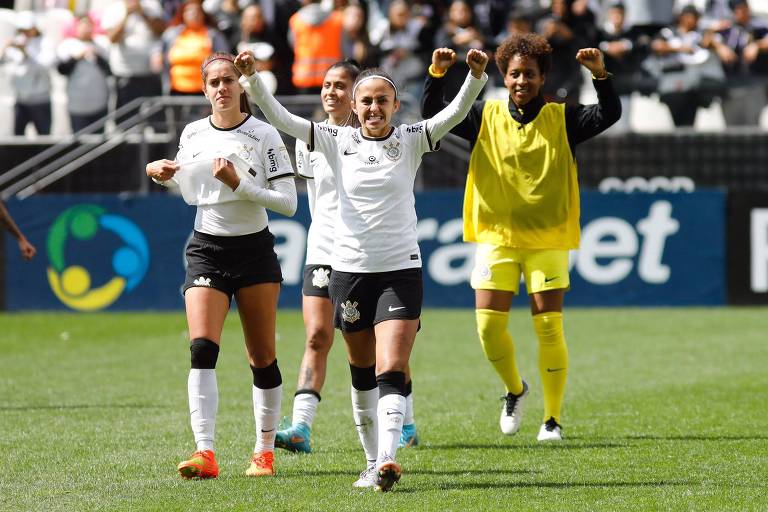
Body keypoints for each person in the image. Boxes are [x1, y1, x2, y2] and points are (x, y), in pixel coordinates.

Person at [235, 46, 488, 491]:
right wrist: (253, 81)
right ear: (354, 105)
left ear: (395, 105)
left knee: (391, 366)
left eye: (382, 100)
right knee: (361, 370)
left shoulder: (411, 138)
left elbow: (455, 112)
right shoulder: (335, 140)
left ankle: (389, 459)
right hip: (348, 272)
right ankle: (371, 461)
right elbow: (281, 119)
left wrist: (476, 76)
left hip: (399, 270)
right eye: (366, 101)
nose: (373, 108)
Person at [421, 33, 620, 442]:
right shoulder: (484, 115)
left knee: (548, 329)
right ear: (503, 76)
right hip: (496, 237)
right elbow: (433, 114)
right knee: (488, 329)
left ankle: (551, 419)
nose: (521, 81)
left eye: (529, 74)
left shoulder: (563, 118)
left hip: (547, 239)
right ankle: (515, 389)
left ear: (542, 77)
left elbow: (609, 114)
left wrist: (601, 75)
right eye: (514, 74)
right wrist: (437, 73)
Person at [145, 52, 297, 479]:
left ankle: (263, 452)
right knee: (201, 348)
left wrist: (242, 184)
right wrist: (166, 175)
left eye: (229, 79)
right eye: (213, 82)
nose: (222, 88)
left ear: (241, 85)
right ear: (204, 88)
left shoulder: (264, 135)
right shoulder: (193, 133)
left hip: (254, 252)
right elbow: (190, 186)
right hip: (206, 248)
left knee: (261, 355)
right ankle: (204, 452)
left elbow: (288, 202)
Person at [274, 60, 420, 458]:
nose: (331, 92)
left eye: (341, 86)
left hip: (374, 255)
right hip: (325, 249)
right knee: (318, 335)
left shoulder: (382, 141)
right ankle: (301, 424)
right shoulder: (312, 139)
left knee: (386, 343)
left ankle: (403, 417)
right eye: (326, 85)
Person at [0, 11, 55, 136]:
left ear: (35, 27)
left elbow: (47, 65)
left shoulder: (45, 42)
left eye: (28, 29)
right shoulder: (16, 42)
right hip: (20, 100)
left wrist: (26, 52)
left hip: (40, 100)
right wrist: (5, 48)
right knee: (18, 138)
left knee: (44, 138)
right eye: (22, 30)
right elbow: (2, 62)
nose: (25, 33)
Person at [56, 15, 112, 133]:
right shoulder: (67, 45)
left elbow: (110, 70)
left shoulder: (102, 43)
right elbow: (62, 70)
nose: (86, 28)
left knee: (98, 141)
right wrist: (77, 57)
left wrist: (96, 56)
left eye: (89, 25)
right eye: (83, 25)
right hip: (77, 104)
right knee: (80, 140)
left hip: (99, 102)